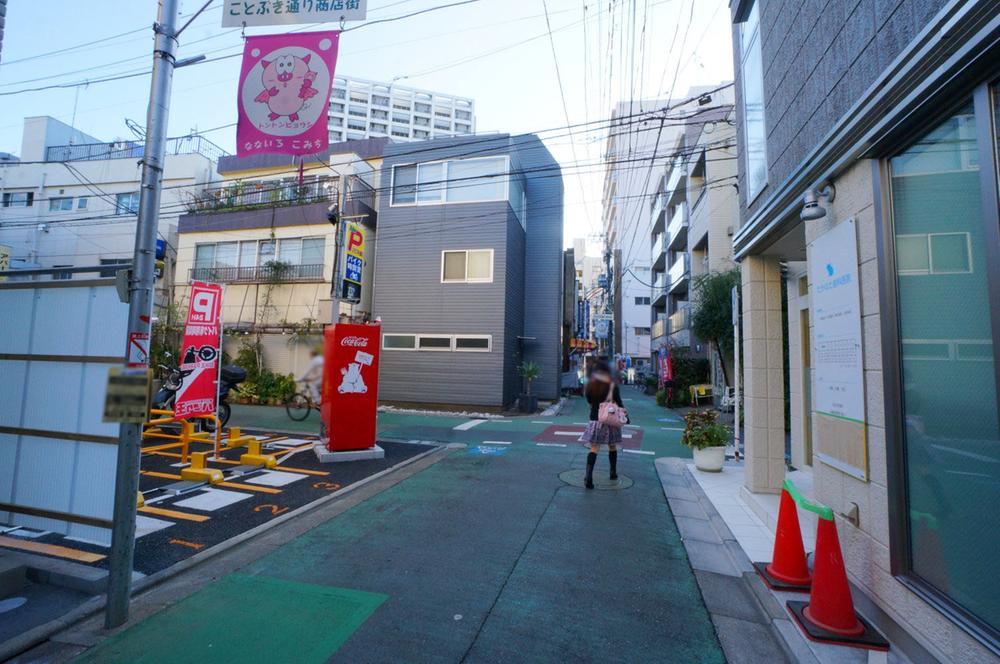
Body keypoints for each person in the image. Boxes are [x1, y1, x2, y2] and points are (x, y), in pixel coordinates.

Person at [580, 360, 625, 489]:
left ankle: (588, 477)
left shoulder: (591, 384)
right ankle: (613, 472)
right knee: (612, 446)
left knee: (594, 448)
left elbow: (588, 400)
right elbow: (619, 402)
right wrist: (625, 415)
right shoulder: (612, 385)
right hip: (610, 419)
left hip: (595, 418)